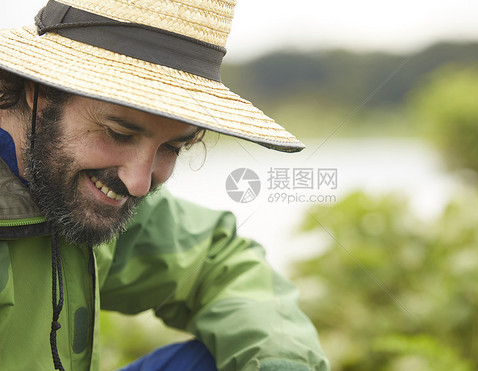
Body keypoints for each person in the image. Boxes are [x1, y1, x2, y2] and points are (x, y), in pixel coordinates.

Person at [0, 0, 329, 370]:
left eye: (172, 147)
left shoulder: (88, 187)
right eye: (119, 132)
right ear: (39, 94)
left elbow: (217, 262)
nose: (139, 183)